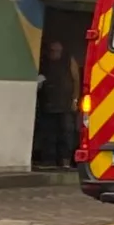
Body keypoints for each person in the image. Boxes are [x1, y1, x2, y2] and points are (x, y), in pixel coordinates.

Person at [36, 40, 80, 168]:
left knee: (66, 134)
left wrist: (75, 100)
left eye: (57, 51)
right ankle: (49, 161)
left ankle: (65, 161)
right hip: (48, 105)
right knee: (48, 134)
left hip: (65, 105)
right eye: (52, 51)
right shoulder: (44, 62)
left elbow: (76, 80)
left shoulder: (68, 60)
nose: (54, 53)